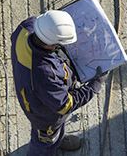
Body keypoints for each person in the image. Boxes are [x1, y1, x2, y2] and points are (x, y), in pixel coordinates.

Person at [10, 10, 105, 155]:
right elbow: (65, 105)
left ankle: (57, 138)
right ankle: (46, 148)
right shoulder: (44, 73)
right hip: (45, 115)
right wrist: (95, 85)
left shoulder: (26, 27)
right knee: (45, 140)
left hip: (36, 96)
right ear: (51, 44)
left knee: (54, 132)